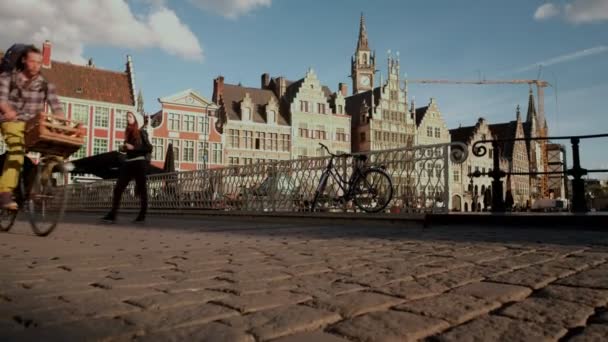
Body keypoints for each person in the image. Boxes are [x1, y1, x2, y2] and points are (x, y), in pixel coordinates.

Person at [0, 45, 64, 210]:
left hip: (33, 126)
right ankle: (5, 193)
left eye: (39, 62)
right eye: (32, 61)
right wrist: (7, 110)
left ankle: (34, 188)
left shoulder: (45, 84)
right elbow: (1, 99)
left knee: (53, 152)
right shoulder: (8, 78)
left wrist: (61, 122)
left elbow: (56, 107)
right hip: (12, 122)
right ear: (23, 60)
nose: (36, 65)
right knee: (17, 150)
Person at [102, 111, 152, 223]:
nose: (127, 118)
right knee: (118, 188)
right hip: (128, 163)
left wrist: (133, 148)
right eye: (127, 116)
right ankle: (113, 214)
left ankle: (142, 214)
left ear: (136, 119)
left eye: (130, 116)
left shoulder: (142, 132)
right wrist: (124, 148)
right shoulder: (129, 132)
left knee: (142, 190)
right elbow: (129, 148)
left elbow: (149, 148)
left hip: (139, 163)